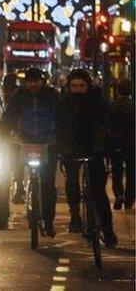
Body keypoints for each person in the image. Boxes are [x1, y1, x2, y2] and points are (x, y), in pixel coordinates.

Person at [55, 69, 117, 247]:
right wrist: (63, 149)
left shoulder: (98, 103)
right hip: (71, 149)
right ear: (69, 87)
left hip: (94, 149)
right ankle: (75, 216)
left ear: (88, 86)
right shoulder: (62, 106)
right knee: (72, 182)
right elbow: (60, 130)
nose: (78, 90)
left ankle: (107, 229)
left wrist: (101, 146)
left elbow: (103, 126)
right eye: (74, 86)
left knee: (99, 192)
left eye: (82, 86)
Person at [2, 66, 58, 237]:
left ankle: (48, 221)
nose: (33, 85)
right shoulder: (18, 97)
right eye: (30, 81)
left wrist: (57, 136)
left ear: (42, 81)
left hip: (48, 143)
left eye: (36, 81)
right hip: (24, 141)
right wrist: (9, 133)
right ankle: (18, 185)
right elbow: (8, 118)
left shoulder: (52, 96)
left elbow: (61, 116)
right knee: (14, 156)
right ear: (25, 82)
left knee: (48, 183)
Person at [108, 79, 135, 211]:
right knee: (131, 172)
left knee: (116, 170)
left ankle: (118, 193)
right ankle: (130, 198)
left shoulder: (113, 106)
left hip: (116, 142)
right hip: (131, 143)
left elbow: (108, 125)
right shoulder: (133, 106)